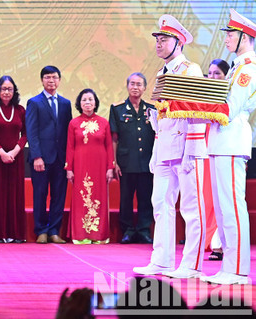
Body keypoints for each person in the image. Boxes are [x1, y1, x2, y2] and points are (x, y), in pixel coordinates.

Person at [134, 15, 207, 279]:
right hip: (165, 147)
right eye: (157, 39)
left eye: (164, 40)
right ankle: (162, 260)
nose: (159, 44)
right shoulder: (161, 73)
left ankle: (192, 264)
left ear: (178, 42)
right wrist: (155, 150)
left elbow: (197, 113)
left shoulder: (190, 70)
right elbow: (162, 116)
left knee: (189, 207)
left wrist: (191, 150)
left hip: (186, 148)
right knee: (160, 204)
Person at [202, 9, 256, 285]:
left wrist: (197, 102)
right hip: (222, 141)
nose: (227, 38)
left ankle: (237, 269)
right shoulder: (237, 66)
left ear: (245, 38)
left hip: (231, 140)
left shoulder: (247, 69)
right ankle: (229, 265)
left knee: (233, 206)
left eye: (232, 34)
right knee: (224, 208)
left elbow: (230, 109)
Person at [25, 65, 72, 244]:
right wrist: (37, 156)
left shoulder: (66, 104)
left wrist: (69, 159)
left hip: (60, 158)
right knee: (40, 195)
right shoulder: (34, 102)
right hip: (41, 159)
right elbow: (32, 131)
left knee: (59, 196)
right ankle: (41, 230)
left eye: (54, 77)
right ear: (42, 80)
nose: (51, 81)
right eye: (47, 77)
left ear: (59, 80)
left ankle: (54, 231)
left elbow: (67, 131)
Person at [109, 72, 155, 245]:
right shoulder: (117, 108)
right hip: (126, 162)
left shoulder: (152, 109)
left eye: (139, 84)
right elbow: (114, 138)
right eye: (132, 84)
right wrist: (114, 162)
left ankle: (144, 231)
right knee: (125, 199)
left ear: (144, 88)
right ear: (127, 86)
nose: (135, 87)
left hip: (146, 162)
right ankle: (127, 231)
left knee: (146, 197)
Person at [66, 89, 114, 244]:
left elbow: (109, 146)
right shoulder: (73, 123)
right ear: (79, 104)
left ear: (95, 103)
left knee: (99, 197)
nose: (87, 102)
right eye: (84, 100)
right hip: (80, 165)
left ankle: (99, 236)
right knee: (82, 197)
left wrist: (110, 167)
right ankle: (81, 235)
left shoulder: (104, 123)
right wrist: (69, 169)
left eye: (90, 100)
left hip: (100, 166)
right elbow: (70, 147)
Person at [0, 75, 27, 243]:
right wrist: (1, 153)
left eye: (10, 89)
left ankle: (15, 234)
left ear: (14, 91)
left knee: (15, 194)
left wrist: (14, 152)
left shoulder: (21, 110)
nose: (7, 92)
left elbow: (26, 134)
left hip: (16, 158)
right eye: (4, 89)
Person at [203, 59, 229, 261]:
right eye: (210, 73)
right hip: (204, 154)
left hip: (225, 152)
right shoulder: (203, 98)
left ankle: (221, 246)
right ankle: (209, 241)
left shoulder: (230, 98)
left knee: (223, 201)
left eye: (217, 74)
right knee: (208, 202)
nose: (212, 77)